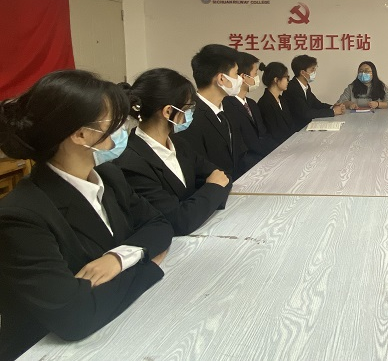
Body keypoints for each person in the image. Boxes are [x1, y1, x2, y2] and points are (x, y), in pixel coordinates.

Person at [0, 70, 173, 360]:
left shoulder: (108, 176)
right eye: (114, 122)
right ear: (80, 134)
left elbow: (159, 224)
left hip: (118, 327)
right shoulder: (20, 216)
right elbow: (73, 316)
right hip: (47, 349)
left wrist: (119, 258)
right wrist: (147, 265)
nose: (122, 129)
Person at [115, 68, 231, 236]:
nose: (190, 113)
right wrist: (212, 188)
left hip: (202, 231)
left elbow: (222, 176)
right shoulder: (131, 161)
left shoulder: (179, 143)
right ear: (168, 111)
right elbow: (178, 220)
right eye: (188, 107)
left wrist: (200, 200)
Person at [173, 45, 253, 181]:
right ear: (221, 79)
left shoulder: (229, 107)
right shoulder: (189, 118)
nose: (240, 79)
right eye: (236, 74)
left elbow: (240, 152)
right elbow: (197, 171)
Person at [222, 53, 278, 164]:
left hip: (266, 159)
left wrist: (280, 150)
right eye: (255, 73)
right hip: (249, 165)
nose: (257, 78)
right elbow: (240, 147)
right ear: (243, 77)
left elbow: (263, 134)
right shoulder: (227, 107)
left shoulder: (252, 104)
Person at [285, 55, 345, 131]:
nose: (314, 72)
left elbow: (316, 104)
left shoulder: (305, 86)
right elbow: (306, 113)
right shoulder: (293, 88)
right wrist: (333, 112)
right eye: (312, 69)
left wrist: (332, 107)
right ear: (303, 72)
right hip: (296, 130)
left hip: (305, 126)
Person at [257, 62, 295, 144]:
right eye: (286, 77)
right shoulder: (265, 103)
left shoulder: (282, 99)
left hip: (289, 142)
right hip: (277, 146)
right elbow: (274, 132)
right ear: (276, 80)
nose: (288, 81)